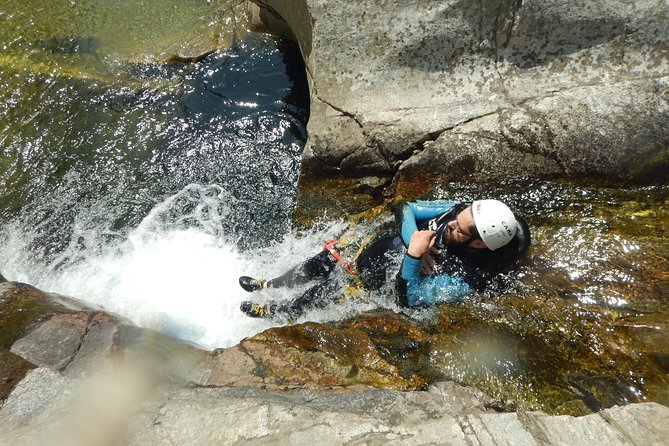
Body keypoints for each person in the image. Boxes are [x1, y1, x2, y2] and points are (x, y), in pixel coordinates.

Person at [238, 199, 531, 319]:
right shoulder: (458, 213)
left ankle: (278, 312)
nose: (451, 222)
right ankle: (269, 284)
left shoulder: (463, 279)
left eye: (459, 227)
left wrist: (414, 256)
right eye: (457, 216)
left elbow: (410, 301)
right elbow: (406, 209)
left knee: (321, 294)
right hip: (365, 251)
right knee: (317, 264)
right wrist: (412, 241)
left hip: (367, 284)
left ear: (479, 243)